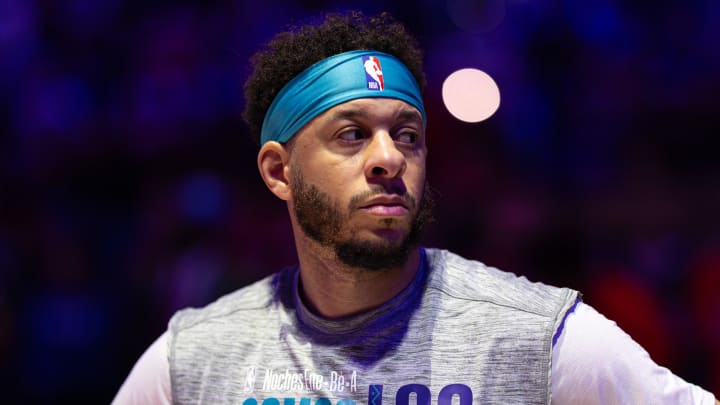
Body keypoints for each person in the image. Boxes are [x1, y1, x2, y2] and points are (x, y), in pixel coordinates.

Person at [113, 11, 718, 405]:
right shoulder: (193, 360)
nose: (390, 158)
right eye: (352, 134)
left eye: (407, 134)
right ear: (280, 172)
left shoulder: (539, 339)